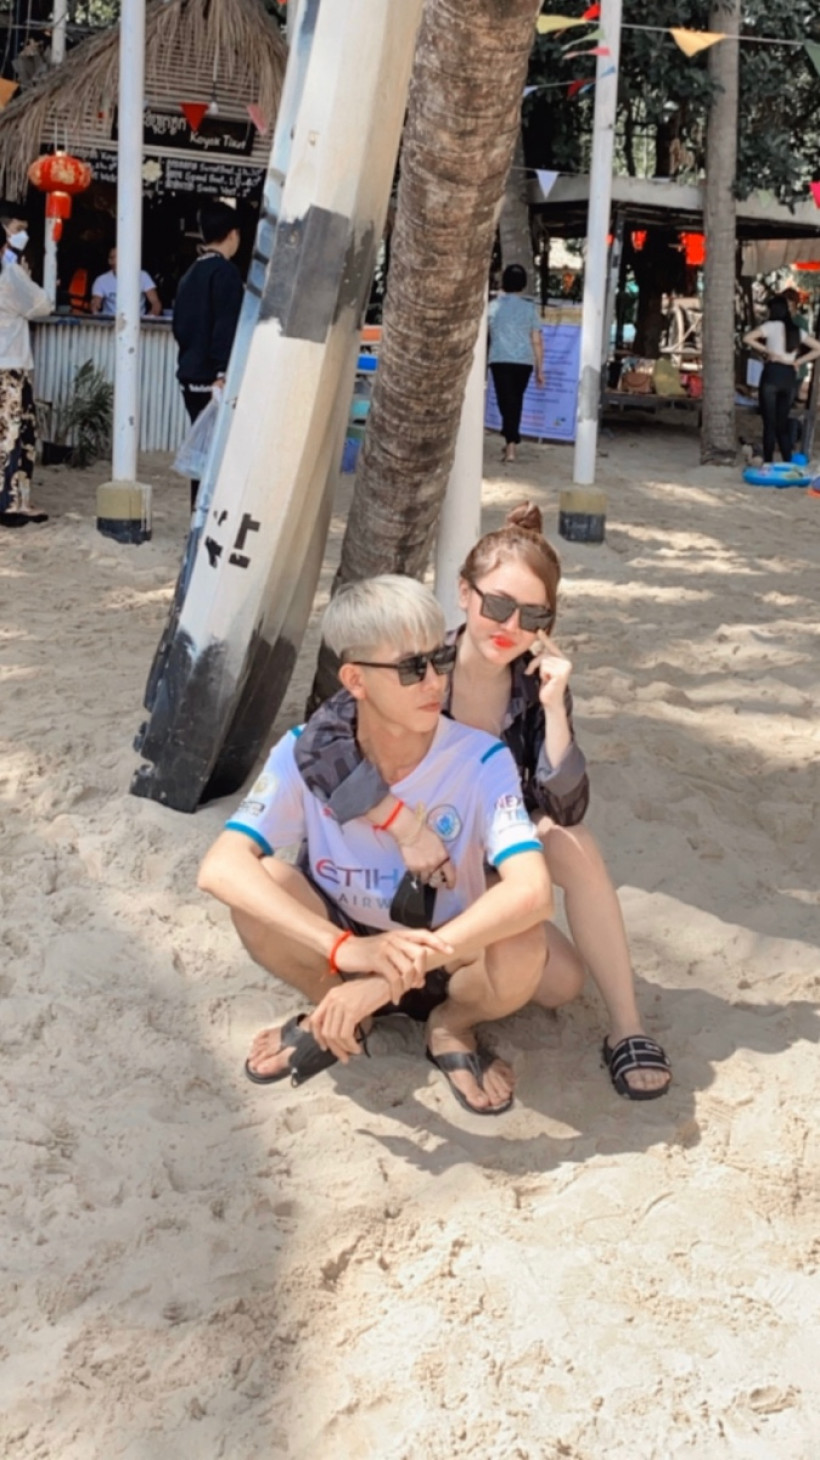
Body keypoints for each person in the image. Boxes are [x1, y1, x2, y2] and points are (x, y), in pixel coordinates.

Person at [294, 506, 672, 1100]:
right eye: (497, 604)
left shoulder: (534, 685)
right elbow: (316, 744)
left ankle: (626, 1028)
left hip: (485, 856)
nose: (510, 626)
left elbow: (565, 808)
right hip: (408, 863)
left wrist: (553, 709)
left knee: (565, 948)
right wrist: (401, 824)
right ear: (464, 594)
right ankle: (394, 993)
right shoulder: (421, 666)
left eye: (533, 615)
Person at [198, 575, 558, 1116]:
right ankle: (338, 1007)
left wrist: (394, 974)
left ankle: (452, 1026)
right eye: (411, 668)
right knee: (260, 883)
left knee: (526, 940)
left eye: (440, 659)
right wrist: (345, 951)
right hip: (346, 941)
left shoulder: (481, 758)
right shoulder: (300, 752)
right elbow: (219, 868)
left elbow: (534, 891)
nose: (434, 681)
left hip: (446, 952)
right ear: (355, 680)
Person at [173, 201, 243, 510]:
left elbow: (180, 326)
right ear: (233, 234)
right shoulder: (225, 274)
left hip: (190, 375)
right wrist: (223, 372)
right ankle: (211, 516)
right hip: (215, 379)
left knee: (202, 450)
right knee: (221, 453)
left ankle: (197, 516)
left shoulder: (190, 274)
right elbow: (226, 327)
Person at [0, 224, 51, 528]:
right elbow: (42, 304)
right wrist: (24, 272)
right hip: (9, 366)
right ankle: (12, 502)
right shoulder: (10, 275)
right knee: (14, 434)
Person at [743, 294, 820, 464]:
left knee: (769, 425)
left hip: (772, 373)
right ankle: (788, 463)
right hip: (789, 376)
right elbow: (818, 348)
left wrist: (767, 351)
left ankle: (768, 463)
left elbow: (747, 338)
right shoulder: (796, 331)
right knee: (782, 424)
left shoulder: (770, 326)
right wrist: (798, 361)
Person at [488, 263, 544, 464]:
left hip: (500, 359)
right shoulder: (530, 308)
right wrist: (540, 369)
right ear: (523, 284)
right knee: (515, 401)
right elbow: (536, 340)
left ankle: (510, 444)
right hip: (523, 362)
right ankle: (511, 442)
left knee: (506, 402)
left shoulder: (493, 307)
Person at [90, 248, 162, 318]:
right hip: (110, 322)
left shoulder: (143, 276)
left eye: (118, 257)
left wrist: (151, 317)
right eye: (112, 258)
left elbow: (155, 303)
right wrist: (95, 307)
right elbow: (95, 303)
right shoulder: (101, 280)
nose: (114, 261)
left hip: (137, 322)